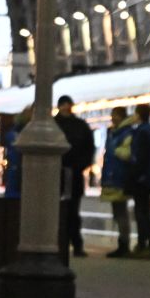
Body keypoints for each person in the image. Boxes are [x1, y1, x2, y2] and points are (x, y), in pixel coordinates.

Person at [54, 95, 95, 258]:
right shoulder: (53, 124)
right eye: (63, 105)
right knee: (58, 210)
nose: (65, 107)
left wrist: (81, 165)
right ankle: (60, 243)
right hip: (57, 174)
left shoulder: (80, 126)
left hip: (73, 174)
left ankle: (75, 244)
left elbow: (89, 149)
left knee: (72, 212)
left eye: (67, 104)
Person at [126, 104, 150, 260]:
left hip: (140, 180)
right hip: (149, 178)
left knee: (141, 213)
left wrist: (133, 176)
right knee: (146, 213)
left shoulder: (141, 132)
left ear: (138, 115)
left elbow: (139, 158)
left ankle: (143, 245)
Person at [99, 106, 133, 257]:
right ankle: (122, 243)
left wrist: (115, 150)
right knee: (118, 212)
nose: (112, 118)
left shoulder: (124, 133)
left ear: (121, 117)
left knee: (121, 212)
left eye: (115, 115)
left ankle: (124, 244)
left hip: (120, 178)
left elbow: (127, 153)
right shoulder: (113, 133)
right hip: (112, 177)